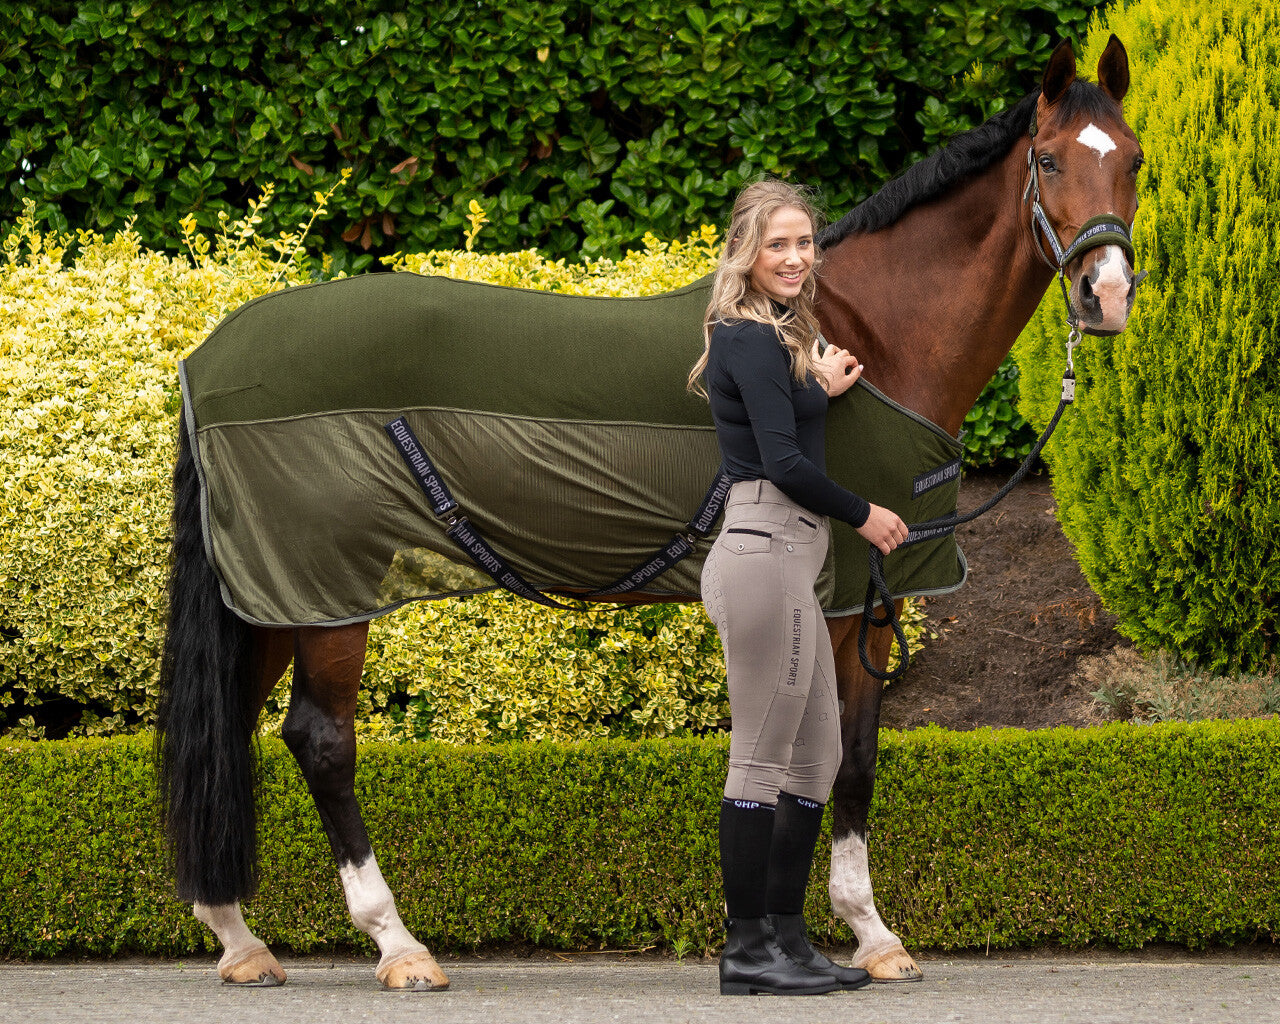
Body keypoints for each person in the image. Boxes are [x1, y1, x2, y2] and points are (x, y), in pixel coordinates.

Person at [688, 180, 907, 996]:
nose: (794, 257)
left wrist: (820, 389)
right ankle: (746, 949)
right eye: (777, 244)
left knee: (817, 755)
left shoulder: (776, 338)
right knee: (759, 757)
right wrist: (865, 514)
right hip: (764, 550)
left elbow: (777, 423)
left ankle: (786, 937)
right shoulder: (747, 337)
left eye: (805, 243)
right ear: (746, 252)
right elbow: (780, 461)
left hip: (788, 557)